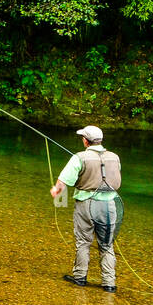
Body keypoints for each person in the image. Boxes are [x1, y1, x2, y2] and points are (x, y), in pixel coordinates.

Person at [49, 125, 123, 293]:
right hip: (110, 205)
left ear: (85, 141)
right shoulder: (115, 157)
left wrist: (56, 191)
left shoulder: (79, 157)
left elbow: (63, 181)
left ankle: (80, 277)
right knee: (107, 244)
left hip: (86, 204)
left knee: (83, 242)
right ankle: (109, 283)